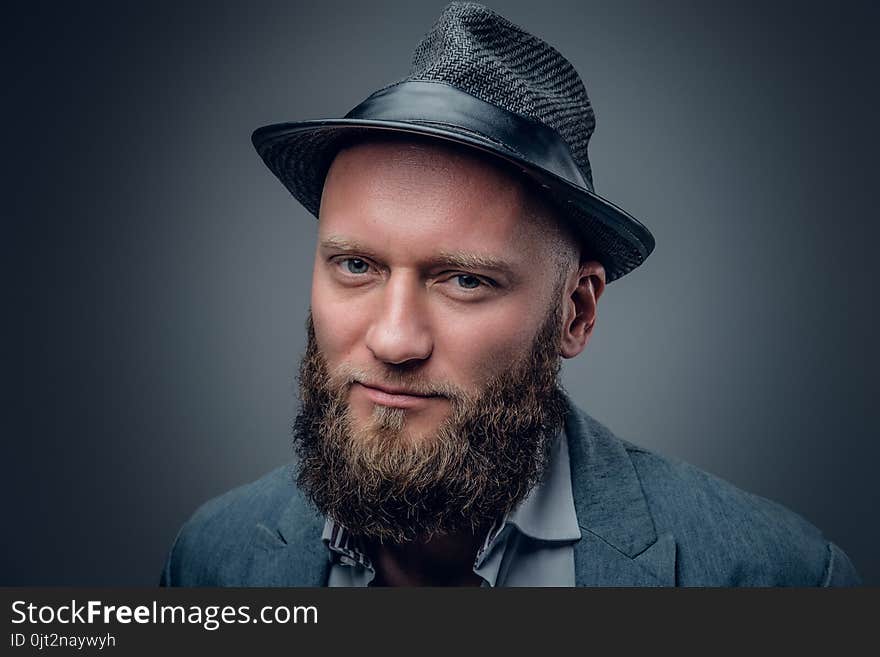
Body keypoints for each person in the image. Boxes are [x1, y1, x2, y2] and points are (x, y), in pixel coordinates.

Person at [160, 2, 860, 587]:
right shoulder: (211, 560)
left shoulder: (773, 578)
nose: (394, 338)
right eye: (356, 266)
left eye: (465, 279)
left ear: (576, 311)